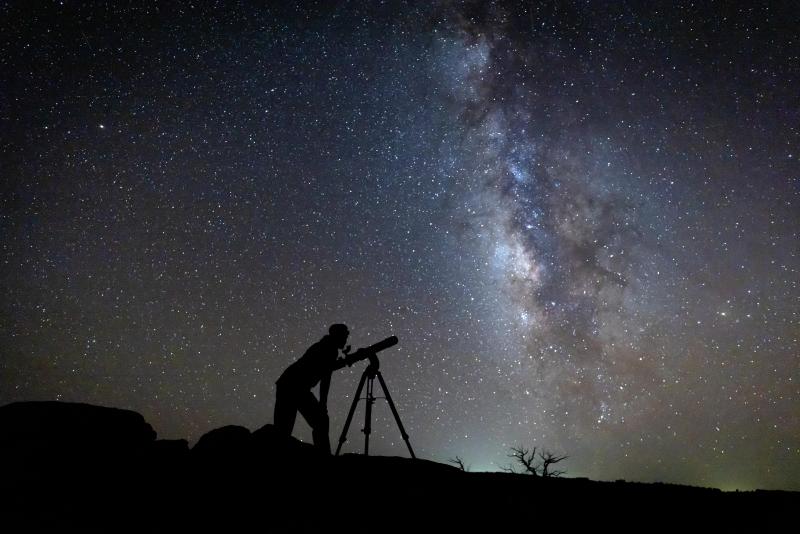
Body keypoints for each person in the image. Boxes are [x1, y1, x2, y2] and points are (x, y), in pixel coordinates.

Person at [273, 323, 357, 454]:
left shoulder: (326, 346)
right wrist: (323, 404)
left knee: (285, 429)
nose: (346, 339)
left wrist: (341, 361)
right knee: (319, 422)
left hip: (291, 385)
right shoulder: (329, 349)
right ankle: (323, 455)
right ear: (337, 335)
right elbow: (326, 377)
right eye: (344, 336)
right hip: (293, 387)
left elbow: (324, 368)